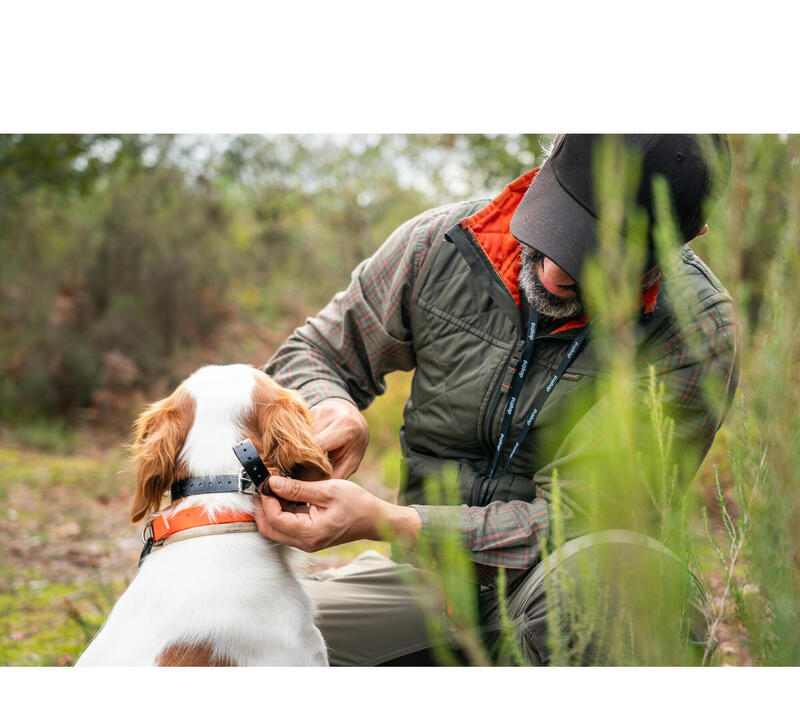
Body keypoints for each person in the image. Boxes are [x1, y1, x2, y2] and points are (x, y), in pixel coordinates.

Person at [253, 134, 740, 665]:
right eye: (558, 228)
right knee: (237, 635)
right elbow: (315, 350)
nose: (554, 273)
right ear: (544, 174)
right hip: (425, 587)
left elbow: (579, 520)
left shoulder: (695, 327)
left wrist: (393, 522)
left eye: (595, 256)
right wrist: (332, 406)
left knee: (613, 571)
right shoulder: (441, 244)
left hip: (560, 595)